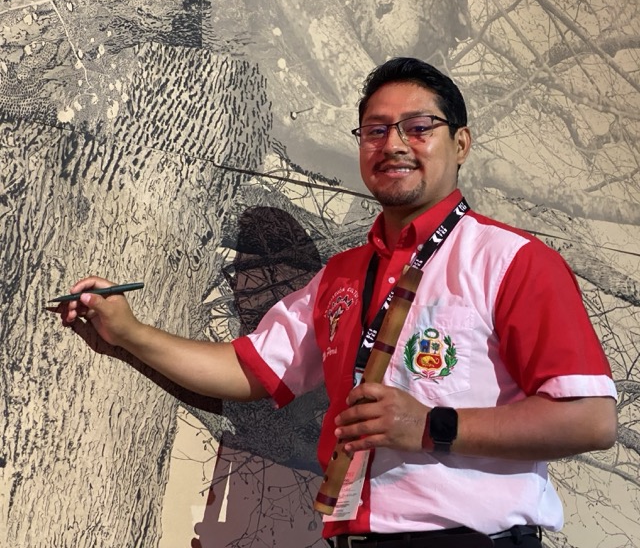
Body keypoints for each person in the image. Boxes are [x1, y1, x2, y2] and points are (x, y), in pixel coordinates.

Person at [56, 58, 618, 548]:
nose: (393, 144)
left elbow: (589, 420)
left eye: (418, 127)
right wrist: (127, 331)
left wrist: (429, 425)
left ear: (461, 143)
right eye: (375, 130)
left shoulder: (513, 261)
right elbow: (244, 370)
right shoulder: (340, 276)